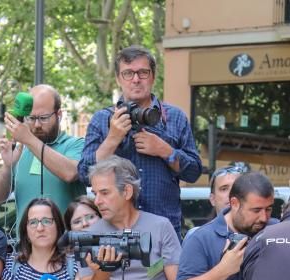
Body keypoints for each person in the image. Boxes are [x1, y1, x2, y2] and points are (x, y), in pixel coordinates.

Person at [78, 45, 202, 238]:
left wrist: (166, 151)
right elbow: (84, 174)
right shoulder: (102, 119)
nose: (136, 79)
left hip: (164, 231)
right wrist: (112, 139)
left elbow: (194, 172)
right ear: (119, 79)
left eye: (142, 72)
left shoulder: (174, 117)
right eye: (128, 73)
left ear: (152, 76)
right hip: (114, 232)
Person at [0, 85, 86, 222]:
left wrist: (29, 139)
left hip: (66, 242)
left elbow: (70, 173)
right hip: (25, 242)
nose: (37, 125)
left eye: (43, 118)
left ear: (59, 115)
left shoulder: (76, 144)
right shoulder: (21, 150)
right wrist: (7, 166)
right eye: (31, 118)